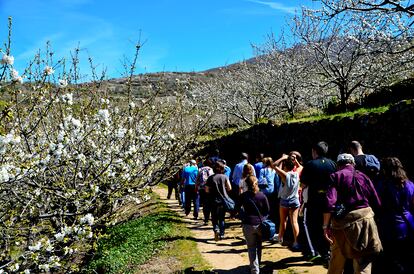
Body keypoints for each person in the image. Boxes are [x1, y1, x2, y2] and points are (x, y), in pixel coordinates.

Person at [323, 153, 382, 274]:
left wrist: (325, 226)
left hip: (342, 224)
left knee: (336, 259)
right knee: (363, 260)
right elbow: (377, 202)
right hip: (365, 220)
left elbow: (330, 203)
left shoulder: (335, 176)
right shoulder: (364, 177)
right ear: (353, 163)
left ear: (338, 165)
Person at [300, 141, 337, 262]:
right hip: (329, 200)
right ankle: (327, 252)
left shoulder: (310, 164)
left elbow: (303, 184)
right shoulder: (332, 164)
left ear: (314, 151)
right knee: (326, 226)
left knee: (310, 226)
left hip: (314, 200)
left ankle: (314, 251)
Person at [376, 157, 414, 273]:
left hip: (390, 225)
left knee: (390, 259)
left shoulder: (383, 185)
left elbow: (377, 204)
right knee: (407, 258)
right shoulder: (410, 184)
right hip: (409, 223)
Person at [240, 175, 270, 274]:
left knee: (251, 247)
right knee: (259, 245)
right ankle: (258, 265)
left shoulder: (243, 196)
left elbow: (237, 208)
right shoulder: (262, 195)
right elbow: (267, 210)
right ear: (256, 183)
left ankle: (254, 270)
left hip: (248, 224)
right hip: (260, 224)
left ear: (246, 185)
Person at [272, 154, 301, 250]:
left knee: (283, 221)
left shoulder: (285, 175)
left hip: (285, 200)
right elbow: (300, 166)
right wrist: (295, 160)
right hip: (295, 200)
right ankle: (296, 242)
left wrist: (282, 158)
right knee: (294, 222)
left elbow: (274, 165)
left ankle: (280, 238)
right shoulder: (296, 173)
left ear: (285, 167)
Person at [205, 161, 232, 240]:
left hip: (213, 200)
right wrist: (224, 189)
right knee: (222, 218)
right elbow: (230, 188)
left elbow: (206, 190)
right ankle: (222, 234)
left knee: (214, 217)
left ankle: (216, 229)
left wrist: (211, 190)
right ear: (222, 169)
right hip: (223, 200)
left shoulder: (210, 178)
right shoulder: (224, 177)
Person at [196, 159, 215, 225]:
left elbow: (197, 179)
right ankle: (211, 217)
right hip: (210, 189)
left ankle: (206, 218)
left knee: (204, 204)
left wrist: (196, 187)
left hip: (202, 189)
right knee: (210, 203)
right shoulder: (211, 170)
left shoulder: (200, 169)